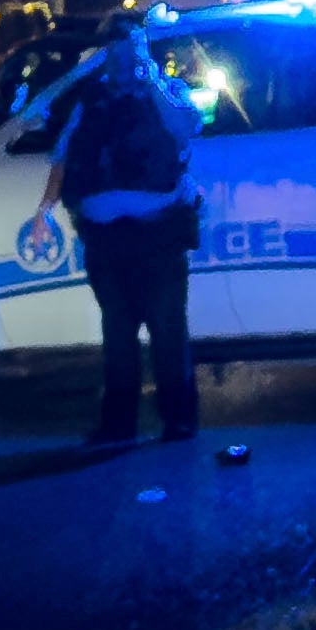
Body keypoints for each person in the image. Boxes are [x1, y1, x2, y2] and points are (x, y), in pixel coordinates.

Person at [31, 35, 202, 447]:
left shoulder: (165, 92)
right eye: (116, 52)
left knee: (166, 329)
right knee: (118, 334)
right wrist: (44, 212)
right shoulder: (90, 103)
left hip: (158, 235)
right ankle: (119, 423)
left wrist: (151, 81)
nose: (123, 60)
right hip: (107, 241)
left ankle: (178, 419)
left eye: (132, 50)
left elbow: (186, 126)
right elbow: (63, 159)